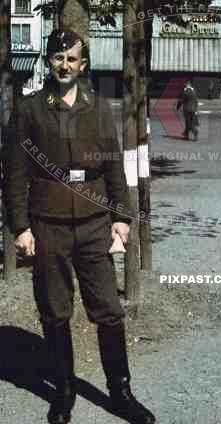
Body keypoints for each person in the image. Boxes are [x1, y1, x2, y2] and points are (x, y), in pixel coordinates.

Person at [3, 30, 155, 424]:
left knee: (107, 309)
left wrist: (121, 217)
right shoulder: (30, 110)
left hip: (93, 222)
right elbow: (15, 173)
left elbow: (113, 168)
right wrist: (20, 227)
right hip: (48, 223)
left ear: (83, 64)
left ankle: (120, 393)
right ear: (48, 61)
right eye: (57, 58)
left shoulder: (101, 108)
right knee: (54, 311)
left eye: (72, 59)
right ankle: (64, 392)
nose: (64, 65)